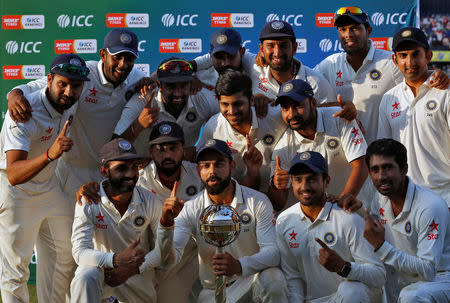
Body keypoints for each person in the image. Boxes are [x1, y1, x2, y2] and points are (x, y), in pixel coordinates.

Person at [7, 28, 147, 203]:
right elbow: (37, 86)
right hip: (71, 170)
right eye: (117, 57)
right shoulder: (82, 72)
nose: (123, 64)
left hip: (108, 172)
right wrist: (15, 94)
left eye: (129, 59)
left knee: (103, 229)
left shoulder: (138, 78)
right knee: (72, 229)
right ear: (103, 55)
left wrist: (151, 83)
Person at [77, 121, 202, 303]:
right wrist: (87, 189)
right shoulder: (139, 180)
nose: (167, 154)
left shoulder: (199, 174)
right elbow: (111, 183)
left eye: (173, 148)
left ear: (184, 149)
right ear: (151, 152)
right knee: (85, 276)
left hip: (185, 258)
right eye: (160, 149)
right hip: (147, 259)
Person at [0, 53, 90, 302]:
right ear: (48, 80)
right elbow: (15, 173)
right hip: (15, 192)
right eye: (63, 83)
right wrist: (51, 154)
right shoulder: (23, 112)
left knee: (66, 254)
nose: (69, 92)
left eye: (76, 86)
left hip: (49, 187)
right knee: (15, 271)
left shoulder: (70, 98)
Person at [157, 139, 288, 303]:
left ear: (232, 166)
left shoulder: (257, 201)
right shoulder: (190, 209)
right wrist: (166, 224)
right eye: (206, 166)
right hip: (213, 292)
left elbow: (273, 253)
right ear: (198, 170)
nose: (212, 171)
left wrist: (239, 266)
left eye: (219, 164)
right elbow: (167, 260)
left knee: (274, 278)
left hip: (251, 281)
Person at [315, 6, 449, 144]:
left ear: (368, 31)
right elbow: (304, 101)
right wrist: (336, 108)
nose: (348, 34)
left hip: (384, 156)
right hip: (345, 158)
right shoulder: (329, 65)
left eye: (355, 28)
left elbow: (419, 83)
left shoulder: (390, 62)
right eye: (342, 29)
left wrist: (437, 76)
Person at [276, 151, 385, 302]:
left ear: (327, 181)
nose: (304, 186)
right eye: (298, 179)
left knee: (353, 291)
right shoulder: (284, 221)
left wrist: (343, 267)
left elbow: (379, 275)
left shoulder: (348, 218)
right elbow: (292, 277)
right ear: (291, 182)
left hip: (344, 299)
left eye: (312, 179)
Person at [71, 138, 163, 302]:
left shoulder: (150, 201)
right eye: (121, 168)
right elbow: (79, 252)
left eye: (134, 167)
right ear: (104, 171)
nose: (130, 174)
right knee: (86, 274)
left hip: (137, 279)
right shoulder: (89, 199)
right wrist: (115, 260)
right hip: (103, 275)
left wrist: (130, 269)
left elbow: (162, 251)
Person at [363, 139, 450, 302]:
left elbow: (428, 270)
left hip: (441, 278)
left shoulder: (430, 206)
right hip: (408, 282)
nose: (381, 176)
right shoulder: (380, 199)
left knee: (411, 296)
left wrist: (381, 247)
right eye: (375, 169)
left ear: (404, 169)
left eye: (388, 167)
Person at [269, 79, 369, 212]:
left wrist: (344, 199)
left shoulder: (339, 117)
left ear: (313, 103)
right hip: (316, 222)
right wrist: (277, 186)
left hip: (355, 210)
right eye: (285, 108)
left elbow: (361, 164)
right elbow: (278, 205)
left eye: (298, 105)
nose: (291, 114)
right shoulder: (282, 149)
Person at [377, 27, 450, 207]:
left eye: (416, 54)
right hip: (406, 200)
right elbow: (384, 154)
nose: (410, 62)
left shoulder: (445, 92)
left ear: (428, 56)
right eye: (403, 55)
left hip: (445, 197)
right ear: (395, 59)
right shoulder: (389, 99)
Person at [197, 69, 286, 191]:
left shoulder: (276, 117)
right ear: (218, 102)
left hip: (281, 201)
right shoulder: (213, 128)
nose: (232, 111)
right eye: (225, 104)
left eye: (238, 104)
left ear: (252, 100)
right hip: (237, 202)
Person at [113, 57, 219, 159]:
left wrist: (197, 151)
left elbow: (227, 125)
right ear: (159, 85)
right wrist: (138, 125)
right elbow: (113, 148)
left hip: (182, 167)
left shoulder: (202, 98)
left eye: (183, 86)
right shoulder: (143, 99)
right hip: (141, 171)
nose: (177, 93)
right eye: (171, 86)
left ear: (191, 84)